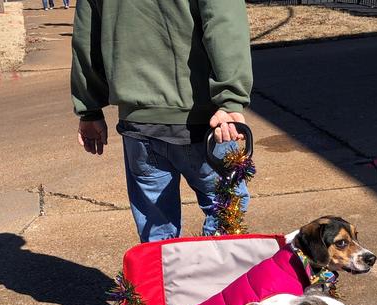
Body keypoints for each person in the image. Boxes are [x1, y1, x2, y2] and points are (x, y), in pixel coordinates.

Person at [71, 0, 253, 242]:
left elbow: (87, 34)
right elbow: (224, 22)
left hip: (138, 121)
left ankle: (168, 279)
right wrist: (231, 98)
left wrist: (90, 109)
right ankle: (215, 276)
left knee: (157, 234)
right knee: (226, 214)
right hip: (202, 121)